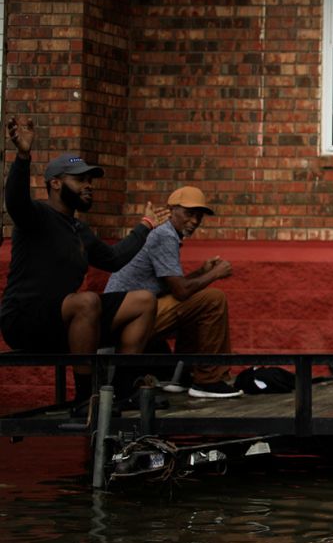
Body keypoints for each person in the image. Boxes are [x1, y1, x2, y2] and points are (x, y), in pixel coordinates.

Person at [0, 116, 165, 409]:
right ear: (55, 183)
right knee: (87, 301)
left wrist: (145, 225)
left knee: (143, 301)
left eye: (90, 180)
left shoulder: (80, 230)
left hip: (68, 320)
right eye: (80, 180)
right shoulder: (35, 216)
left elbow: (114, 260)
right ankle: (87, 397)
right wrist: (23, 155)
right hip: (25, 320)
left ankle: (122, 389)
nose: (89, 186)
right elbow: (14, 201)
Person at [104, 185, 241, 399]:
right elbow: (181, 292)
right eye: (189, 214)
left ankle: (181, 377)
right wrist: (215, 274)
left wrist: (199, 272)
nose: (194, 221)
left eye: (199, 216)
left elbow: (173, 287)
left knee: (197, 303)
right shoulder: (164, 235)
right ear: (171, 210)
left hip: (133, 315)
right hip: (127, 322)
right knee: (213, 299)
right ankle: (208, 380)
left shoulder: (166, 234)